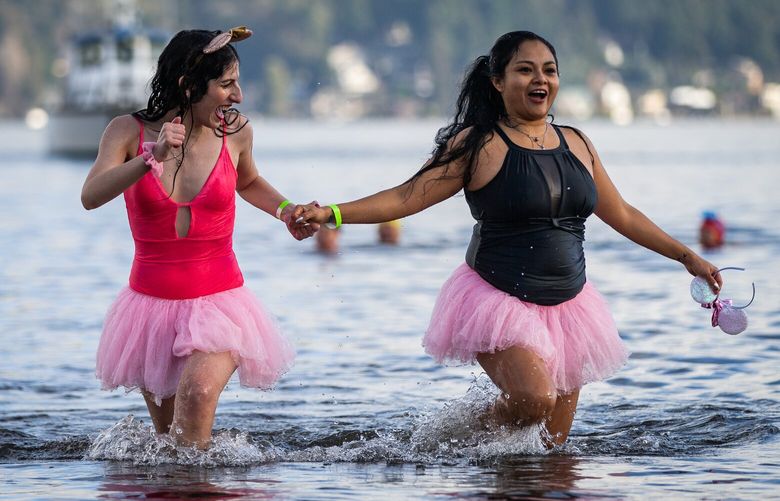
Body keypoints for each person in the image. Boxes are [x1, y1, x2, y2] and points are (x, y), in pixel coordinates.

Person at [296, 31, 723, 446]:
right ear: (498, 82)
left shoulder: (577, 143)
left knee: (552, 452)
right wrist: (333, 214)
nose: (540, 79)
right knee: (535, 400)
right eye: (525, 70)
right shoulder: (479, 144)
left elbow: (624, 215)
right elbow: (407, 196)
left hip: (570, 308)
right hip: (496, 299)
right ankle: (448, 439)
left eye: (549, 70)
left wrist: (687, 257)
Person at [80, 27, 315, 449]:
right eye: (226, 84)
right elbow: (90, 196)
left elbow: (250, 181)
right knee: (171, 443)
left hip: (220, 303)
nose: (238, 96)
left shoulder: (236, 131)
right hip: (149, 310)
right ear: (189, 86)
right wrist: (150, 158)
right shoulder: (125, 131)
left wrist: (286, 212)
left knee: (199, 393)